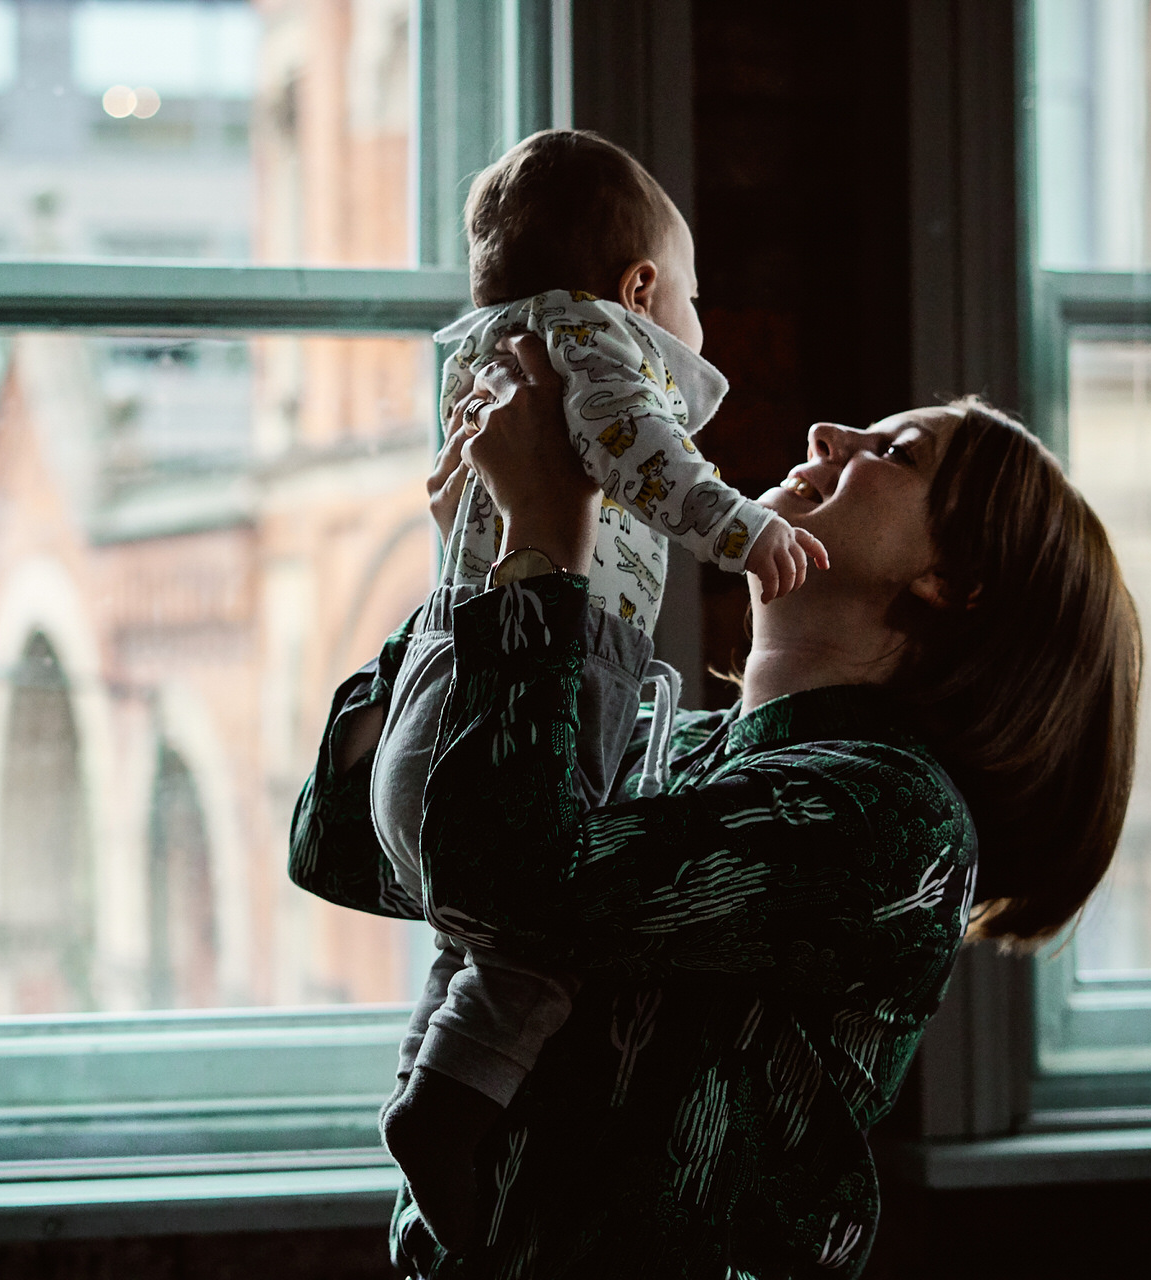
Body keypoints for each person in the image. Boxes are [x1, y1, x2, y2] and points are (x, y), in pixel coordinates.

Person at [289, 365, 1141, 1275]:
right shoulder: (680, 748)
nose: (824, 434)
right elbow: (345, 844)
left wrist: (544, 537)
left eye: (894, 452)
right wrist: (476, 557)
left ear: (955, 578)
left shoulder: (889, 822)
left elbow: (507, 884)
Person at [344, 127, 828, 1249]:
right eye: (695, 296)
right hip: (539, 679)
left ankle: (427, 1092)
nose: (697, 323)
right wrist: (741, 528)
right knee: (536, 942)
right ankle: (443, 1111)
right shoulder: (598, 345)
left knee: (474, 943)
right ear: (641, 288)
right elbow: (646, 452)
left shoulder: (496, 357)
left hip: (442, 699)